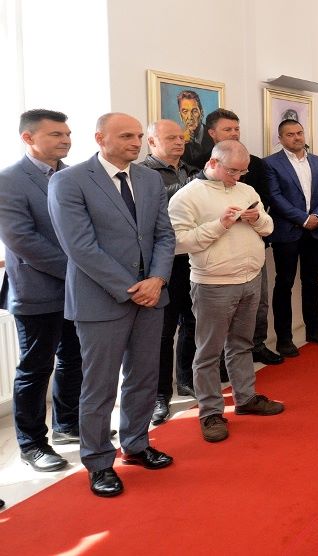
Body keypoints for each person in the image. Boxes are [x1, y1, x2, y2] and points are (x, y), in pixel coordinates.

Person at [48, 112, 176, 498]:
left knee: (144, 377)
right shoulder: (69, 181)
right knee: (99, 386)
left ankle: (136, 444)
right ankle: (99, 461)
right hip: (100, 300)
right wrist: (132, 288)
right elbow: (80, 247)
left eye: (138, 136)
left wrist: (157, 279)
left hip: (152, 296)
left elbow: (164, 234)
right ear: (100, 138)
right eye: (126, 136)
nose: (135, 143)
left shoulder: (149, 179)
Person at [168, 140, 284, 443]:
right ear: (213, 163)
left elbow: (269, 227)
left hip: (250, 277)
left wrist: (258, 219)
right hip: (213, 283)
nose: (238, 177)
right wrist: (220, 225)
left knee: (242, 344)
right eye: (233, 171)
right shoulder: (187, 196)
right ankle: (210, 413)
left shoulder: (246, 190)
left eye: (243, 171)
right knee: (208, 351)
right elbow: (179, 242)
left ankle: (245, 398)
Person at [0, 109, 81, 473]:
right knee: (35, 368)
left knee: (74, 358)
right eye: (56, 134)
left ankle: (68, 424)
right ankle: (32, 444)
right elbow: (22, 240)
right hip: (36, 290)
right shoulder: (9, 180)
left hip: (77, 290)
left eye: (67, 134)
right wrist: (79, 269)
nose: (65, 140)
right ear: (28, 138)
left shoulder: (72, 176)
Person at [189, 109, 282, 366]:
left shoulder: (256, 165)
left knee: (258, 305)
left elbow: (265, 203)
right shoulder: (199, 167)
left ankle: (257, 346)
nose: (234, 133)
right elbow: (187, 230)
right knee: (215, 322)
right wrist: (223, 221)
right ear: (212, 133)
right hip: (215, 262)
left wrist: (255, 216)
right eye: (227, 129)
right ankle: (218, 362)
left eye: (236, 129)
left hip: (252, 248)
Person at [141, 119, 198, 425]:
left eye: (181, 137)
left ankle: (186, 379)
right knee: (162, 333)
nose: (179, 142)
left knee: (192, 322)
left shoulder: (192, 171)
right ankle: (160, 395)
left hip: (193, 258)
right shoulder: (142, 174)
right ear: (152, 142)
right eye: (171, 138)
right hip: (161, 264)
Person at [266, 119, 318, 356]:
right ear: (280, 138)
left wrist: (316, 215)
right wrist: (302, 219)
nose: (296, 137)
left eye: (299, 132)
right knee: (284, 284)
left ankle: (314, 329)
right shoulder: (271, 164)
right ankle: (284, 339)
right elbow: (275, 197)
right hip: (287, 232)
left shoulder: (317, 161)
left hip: (316, 230)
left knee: (312, 281)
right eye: (290, 134)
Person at [178, 90, 212, 169]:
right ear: (180, 116)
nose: (190, 117)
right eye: (185, 111)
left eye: (194, 111)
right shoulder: (178, 139)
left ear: (201, 113)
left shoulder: (213, 135)